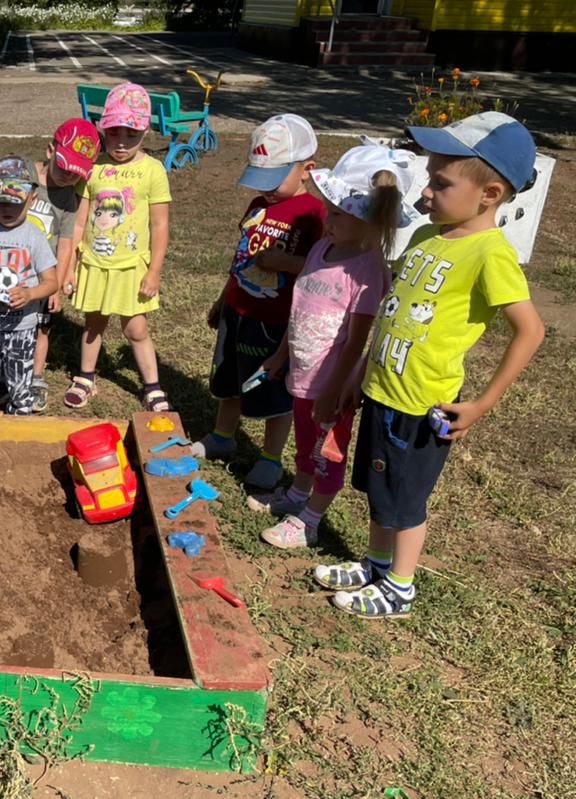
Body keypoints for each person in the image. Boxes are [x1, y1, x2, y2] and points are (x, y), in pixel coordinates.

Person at [318, 113, 545, 618]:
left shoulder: (490, 254)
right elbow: (393, 316)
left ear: (489, 194)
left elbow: (530, 330)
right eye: (429, 180)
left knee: (405, 501)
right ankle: (377, 563)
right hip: (382, 390)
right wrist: (360, 374)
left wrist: (481, 404)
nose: (425, 193)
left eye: (441, 184)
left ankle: (400, 586)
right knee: (380, 489)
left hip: (422, 405)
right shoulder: (425, 237)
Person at [249, 145, 413, 549]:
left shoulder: (368, 271)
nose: (328, 220)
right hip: (303, 372)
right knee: (306, 444)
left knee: (327, 453)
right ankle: (298, 493)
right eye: (330, 210)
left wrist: (335, 391)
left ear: (369, 222)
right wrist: (280, 356)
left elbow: (357, 341)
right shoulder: (322, 249)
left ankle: (310, 520)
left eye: (339, 215)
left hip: (331, 384)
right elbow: (298, 310)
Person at [191, 114, 326, 490]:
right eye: (259, 178)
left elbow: (322, 271)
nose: (265, 189)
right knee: (230, 377)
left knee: (273, 389)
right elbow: (241, 259)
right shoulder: (256, 205)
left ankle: (270, 457)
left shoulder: (314, 215)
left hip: (275, 320)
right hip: (238, 310)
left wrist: (287, 263)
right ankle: (223, 435)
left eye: (274, 179)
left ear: (307, 170)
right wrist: (223, 299)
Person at [62, 83, 171, 413]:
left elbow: (160, 226)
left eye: (131, 134)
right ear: (103, 129)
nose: (121, 142)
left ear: (145, 131)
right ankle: (85, 377)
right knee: (93, 324)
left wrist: (154, 272)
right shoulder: (93, 168)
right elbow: (79, 222)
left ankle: (152, 386)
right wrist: (69, 267)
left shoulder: (153, 170)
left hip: (131, 266)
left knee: (136, 328)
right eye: (113, 133)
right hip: (94, 264)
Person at [0, 157, 59, 415]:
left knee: (19, 383)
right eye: (0, 201)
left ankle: (19, 420)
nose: (6, 208)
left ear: (32, 199)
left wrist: (29, 294)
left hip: (21, 327)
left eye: (14, 202)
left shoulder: (34, 237)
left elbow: (52, 282)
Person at [27, 118, 99, 412]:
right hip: (13, 270)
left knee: (41, 328)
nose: (68, 176)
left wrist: (56, 285)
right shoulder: (24, 174)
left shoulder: (69, 197)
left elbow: (67, 244)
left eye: (76, 173)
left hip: (44, 277)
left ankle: (35, 377)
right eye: (64, 167)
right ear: (50, 150)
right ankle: (7, 372)